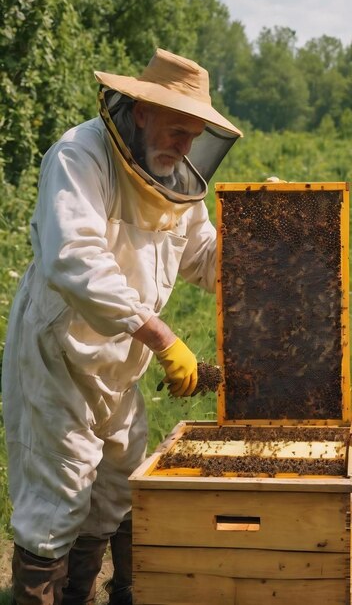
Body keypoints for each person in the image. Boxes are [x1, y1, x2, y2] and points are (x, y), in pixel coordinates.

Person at [2, 48, 242, 604]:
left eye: (193, 135)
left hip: (122, 361)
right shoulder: (79, 156)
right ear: (139, 111)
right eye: (176, 130)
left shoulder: (176, 173)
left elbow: (200, 255)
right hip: (59, 354)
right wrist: (161, 335)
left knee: (114, 491)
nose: (184, 147)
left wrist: (260, 246)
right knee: (58, 496)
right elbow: (75, 259)